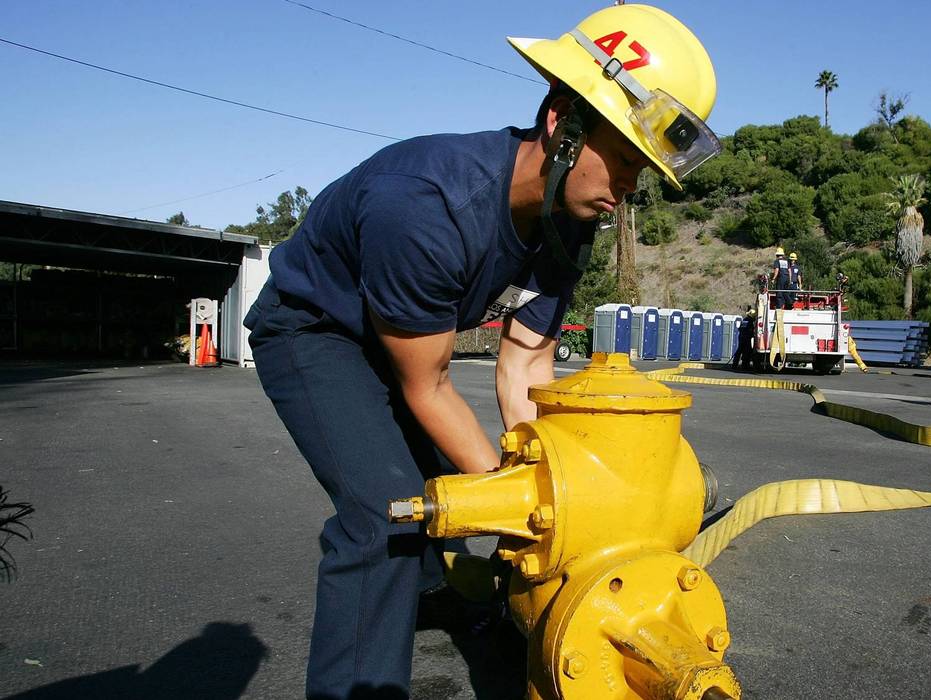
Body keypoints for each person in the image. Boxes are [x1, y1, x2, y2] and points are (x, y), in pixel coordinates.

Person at [243, 5, 719, 698]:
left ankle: (440, 595)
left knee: (455, 475)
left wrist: (556, 484)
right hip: (315, 331)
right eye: (623, 160)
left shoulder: (569, 220)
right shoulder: (426, 204)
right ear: (562, 124)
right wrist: (530, 506)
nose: (627, 190)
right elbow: (427, 385)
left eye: (641, 172)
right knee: (389, 513)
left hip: (403, 344)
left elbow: (526, 366)